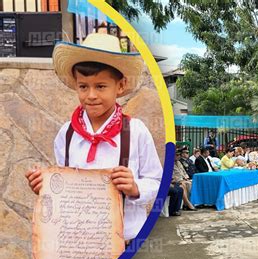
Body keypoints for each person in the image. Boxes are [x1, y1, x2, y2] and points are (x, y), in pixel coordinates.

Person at [24, 33, 162, 243]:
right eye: (83, 86)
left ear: (121, 85)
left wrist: (135, 187)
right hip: (79, 244)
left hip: (126, 243)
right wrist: (45, 187)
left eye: (100, 86)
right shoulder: (67, 134)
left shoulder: (136, 131)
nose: (91, 95)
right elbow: (63, 188)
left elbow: (157, 182)